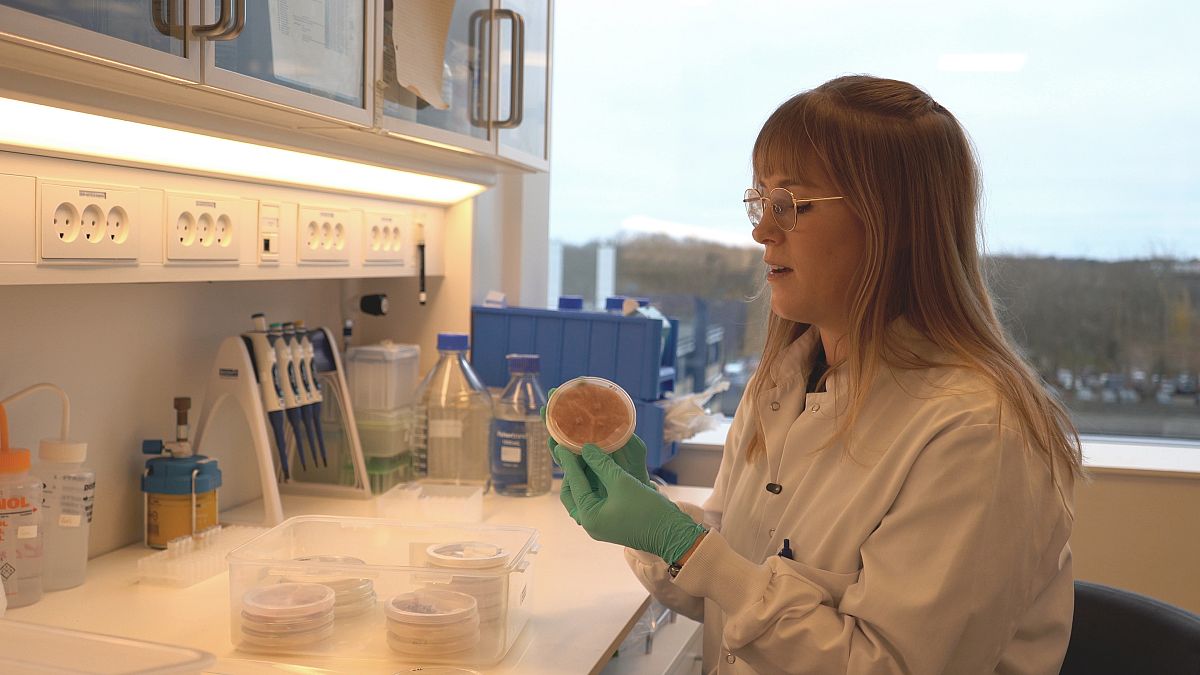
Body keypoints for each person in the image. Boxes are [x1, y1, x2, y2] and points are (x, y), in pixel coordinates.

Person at [549, 75, 1084, 674]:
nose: (761, 230)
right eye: (759, 201)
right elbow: (733, 588)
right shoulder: (784, 382)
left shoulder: (979, 434)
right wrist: (648, 520)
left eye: (790, 205)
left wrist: (690, 549)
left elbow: (888, 667)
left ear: (891, 224)